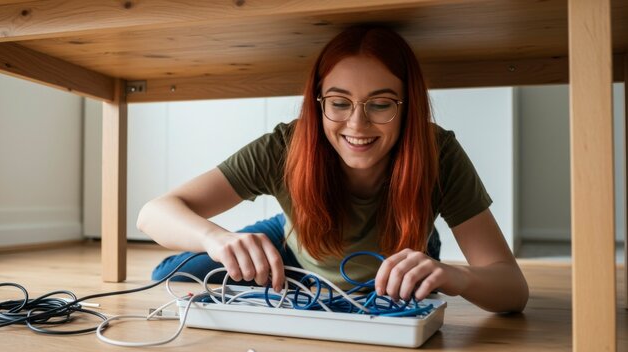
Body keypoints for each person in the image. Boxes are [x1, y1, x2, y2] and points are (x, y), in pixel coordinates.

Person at [137, 25, 529, 313]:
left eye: (381, 104)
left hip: (403, 251)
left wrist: (456, 276)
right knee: (173, 276)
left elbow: (512, 288)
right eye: (340, 103)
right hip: (294, 240)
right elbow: (152, 214)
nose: (357, 125)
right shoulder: (285, 146)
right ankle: (289, 252)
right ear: (319, 101)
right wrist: (215, 238)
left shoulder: (438, 153)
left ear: (408, 107)